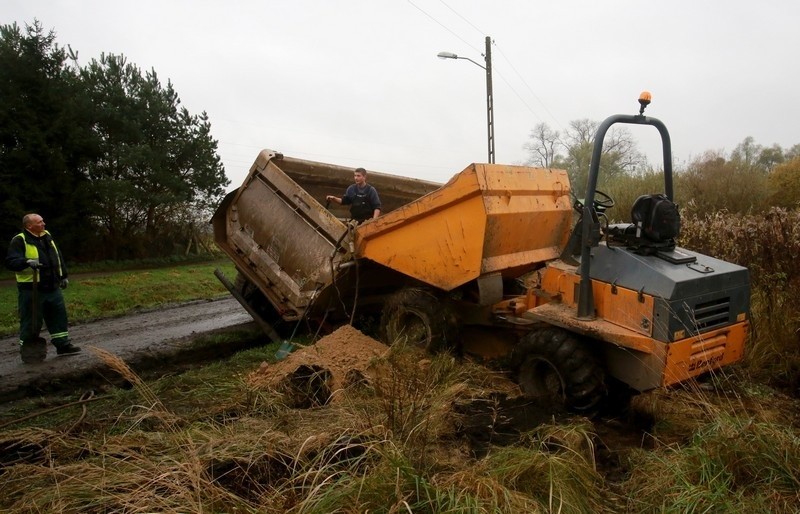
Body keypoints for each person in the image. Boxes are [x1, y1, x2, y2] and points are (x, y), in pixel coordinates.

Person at [5, 213, 81, 361]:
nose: (44, 224)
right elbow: (11, 261)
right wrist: (26, 261)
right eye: (40, 222)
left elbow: (57, 256)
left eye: (43, 221)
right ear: (29, 226)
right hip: (32, 289)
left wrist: (63, 275)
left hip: (52, 286)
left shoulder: (47, 235)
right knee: (32, 321)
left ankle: (62, 345)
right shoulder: (20, 240)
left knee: (58, 317)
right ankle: (29, 349)